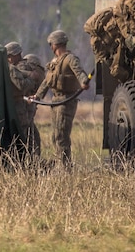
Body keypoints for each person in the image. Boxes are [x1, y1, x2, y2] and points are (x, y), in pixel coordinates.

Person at [30, 30, 90, 167]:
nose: (50, 46)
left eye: (51, 44)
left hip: (66, 101)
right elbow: (47, 81)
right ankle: (60, 164)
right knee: (55, 136)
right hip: (55, 102)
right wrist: (37, 96)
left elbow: (79, 72)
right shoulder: (55, 62)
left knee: (61, 136)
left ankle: (65, 168)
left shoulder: (70, 59)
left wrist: (83, 82)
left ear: (55, 44)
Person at [5, 41, 38, 160]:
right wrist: (31, 80)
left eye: (10, 56)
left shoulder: (16, 67)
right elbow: (22, 86)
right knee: (23, 133)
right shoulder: (12, 69)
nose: (9, 59)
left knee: (25, 132)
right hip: (18, 105)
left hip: (17, 104)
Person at [19, 53, 46, 156]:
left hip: (29, 105)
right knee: (30, 135)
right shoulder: (22, 70)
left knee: (33, 136)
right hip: (25, 107)